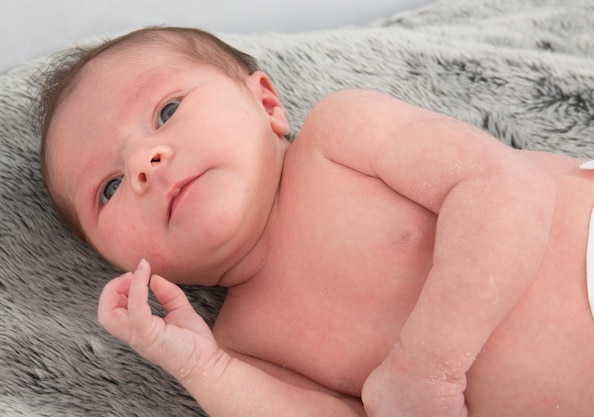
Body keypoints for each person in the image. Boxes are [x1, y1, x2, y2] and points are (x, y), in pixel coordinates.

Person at [34, 26, 594, 417]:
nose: (141, 163)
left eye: (168, 111)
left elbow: (506, 187)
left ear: (267, 104)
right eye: (107, 189)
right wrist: (205, 371)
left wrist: (427, 367)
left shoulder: (339, 138)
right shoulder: (241, 347)